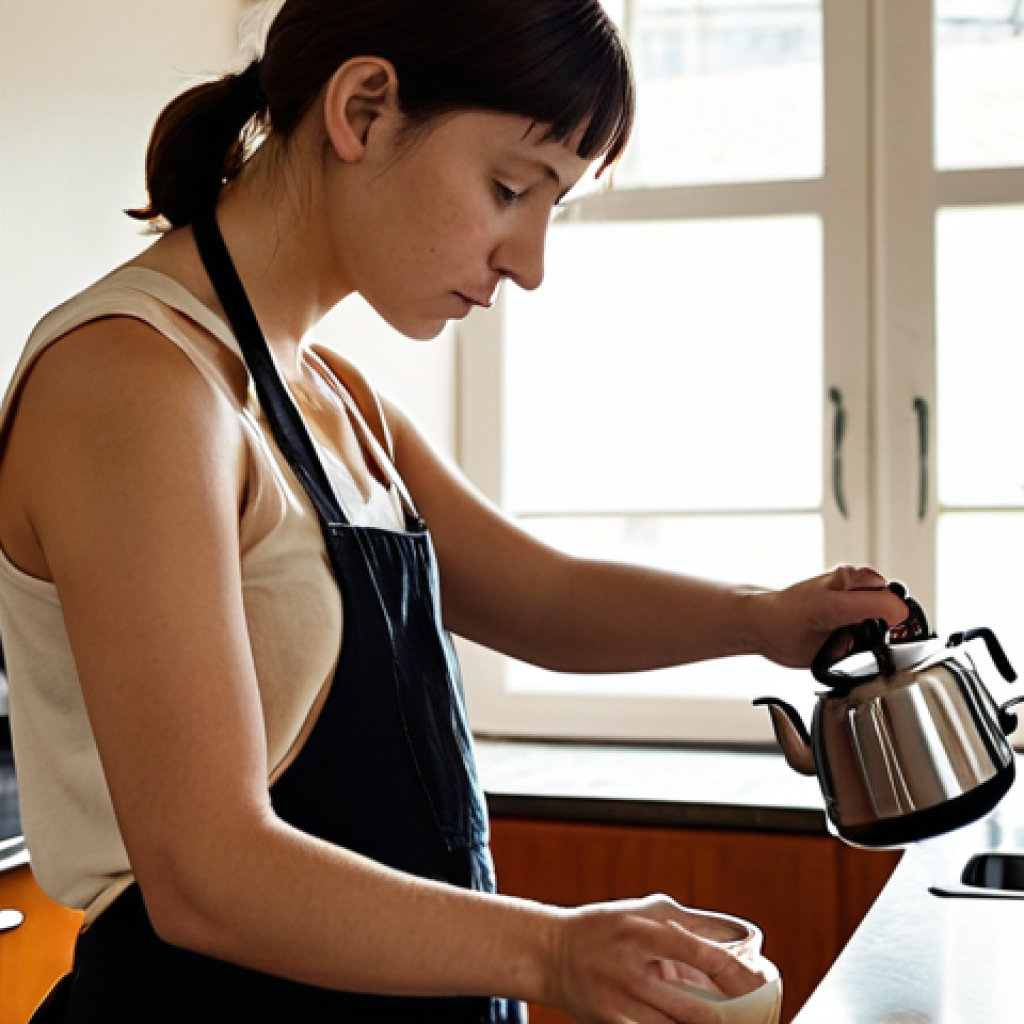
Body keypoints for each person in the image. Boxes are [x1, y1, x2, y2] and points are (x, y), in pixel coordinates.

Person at [0, 1, 908, 1021]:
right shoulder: (131, 381)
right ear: (364, 109)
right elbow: (207, 872)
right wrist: (553, 951)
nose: (528, 262)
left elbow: (541, 596)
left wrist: (760, 618)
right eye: (509, 188)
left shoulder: (330, 393)